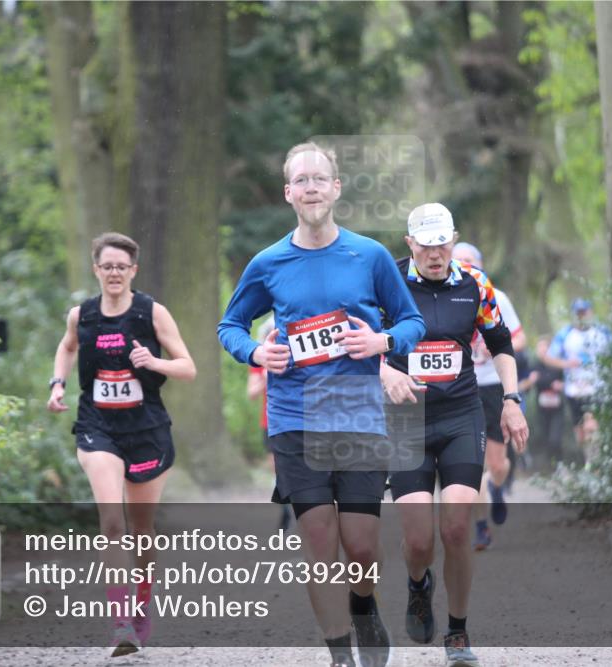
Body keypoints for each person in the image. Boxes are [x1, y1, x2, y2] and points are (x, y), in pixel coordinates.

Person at [217, 142, 425, 667]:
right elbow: (230, 326)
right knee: (318, 540)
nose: (311, 187)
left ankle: (364, 605)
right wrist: (257, 352)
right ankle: (338, 654)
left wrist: (383, 344)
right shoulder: (268, 263)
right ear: (289, 193)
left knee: (360, 548)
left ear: (336, 188)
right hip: (294, 419)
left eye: (320, 178)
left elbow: (411, 321)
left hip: (358, 417)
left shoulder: (370, 255)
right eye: (301, 180)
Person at [381, 208, 528, 667]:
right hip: (406, 420)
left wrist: (510, 400)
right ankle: (418, 584)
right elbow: (359, 345)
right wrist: (385, 372)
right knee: (420, 540)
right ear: (410, 243)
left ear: (454, 240)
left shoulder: (476, 284)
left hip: (462, 414)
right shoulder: (386, 282)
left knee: (458, 527)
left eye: (442, 243)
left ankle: (458, 632)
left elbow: (501, 344)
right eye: (425, 244)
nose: (434, 253)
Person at [48, 232, 196, 657]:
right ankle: (120, 624)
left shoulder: (152, 313)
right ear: (96, 269)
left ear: (133, 271)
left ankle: (143, 601)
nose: (114, 273)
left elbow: (188, 367)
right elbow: (66, 346)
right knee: (113, 522)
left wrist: (154, 362)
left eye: (121, 266)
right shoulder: (83, 315)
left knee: (141, 530)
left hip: (146, 429)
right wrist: (57, 383)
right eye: (106, 266)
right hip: (98, 428)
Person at [450, 242, 529, 551]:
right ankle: (481, 526)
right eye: (459, 261)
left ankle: (496, 488)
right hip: (462, 387)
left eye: (470, 261)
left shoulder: (496, 296)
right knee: (472, 464)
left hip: (494, 385)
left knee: (497, 466)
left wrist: (494, 347)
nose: (464, 266)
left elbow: (519, 338)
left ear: (480, 265)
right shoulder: (444, 298)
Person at [541, 298, 612, 463]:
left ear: (590, 312)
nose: (581, 316)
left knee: (591, 426)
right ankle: (589, 458)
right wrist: (566, 363)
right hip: (573, 389)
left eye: (584, 312)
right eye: (578, 313)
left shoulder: (602, 332)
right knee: (580, 434)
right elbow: (548, 358)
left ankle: (595, 464)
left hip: (597, 387)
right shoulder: (565, 334)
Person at [246, 314, 292, 531]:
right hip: (270, 421)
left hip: (299, 418)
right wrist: (265, 375)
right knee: (280, 471)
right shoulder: (259, 361)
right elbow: (251, 393)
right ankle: (285, 512)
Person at [533, 335, 566, 467]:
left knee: (555, 438)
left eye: (545, 348)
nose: (542, 351)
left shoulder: (557, 365)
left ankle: (560, 464)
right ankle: (551, 466)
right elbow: (535, 381)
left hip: (557, 408)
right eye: (540, 348)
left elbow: (563, 382)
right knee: (546, 438)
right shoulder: (535, 365)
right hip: (542, 408)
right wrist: (550, 383)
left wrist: (558, 384)